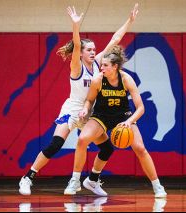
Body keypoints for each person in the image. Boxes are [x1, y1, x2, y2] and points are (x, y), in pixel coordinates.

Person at [19, 4, 139, 196]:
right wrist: (75, 26)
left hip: (90, 111)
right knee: (56, 144)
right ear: (81, 53)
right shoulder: (77, 67)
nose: (93, 52)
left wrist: (129, 21)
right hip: (73, 109)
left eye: (94, 49)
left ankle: (92, 180)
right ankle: (28, 177)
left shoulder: (100, 62)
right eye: (89, 50)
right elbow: (76, 44)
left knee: (107, 148)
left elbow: (115, 39)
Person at [65, 45, 167, 198]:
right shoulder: (98, 79)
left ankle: (157, 186)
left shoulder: (126, 79)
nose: (101, 68)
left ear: (115, 66)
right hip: (102, 115)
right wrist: (86, 109)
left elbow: (140, 108)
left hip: (123, 116)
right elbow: (90, 100)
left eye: (105, 65)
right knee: (82, 140)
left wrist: (129, 121)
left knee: (140, 148)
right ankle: (75, 180)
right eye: (102, 65)